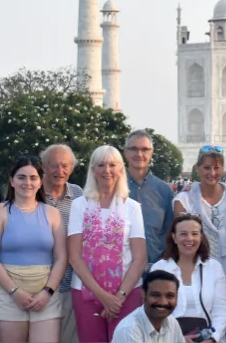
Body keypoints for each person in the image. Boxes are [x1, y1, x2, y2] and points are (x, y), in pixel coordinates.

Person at [0, 156, 68, 343]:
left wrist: (48, 291)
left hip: (45, 292)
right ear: (12, 181)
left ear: (40, 181)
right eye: (21, 177)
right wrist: (15, 292)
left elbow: (61, 257)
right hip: (7, 292)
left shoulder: (52, 214)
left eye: (33, 177)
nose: (27, 182)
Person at [67, 145, 149, 342]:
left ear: (121, 169)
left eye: (113, 165)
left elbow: (140, 258)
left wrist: (118, 298)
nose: (107, 170)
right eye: (101, 165)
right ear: (93, 170)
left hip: (127, 293)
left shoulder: (132, 207)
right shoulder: (79, 205)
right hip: (87, 292)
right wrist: (103, 296)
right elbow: (75, 257)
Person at [152, 213, 226, 342]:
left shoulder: (214, 268)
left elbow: (222, 312)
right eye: (183, 234)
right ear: (174, 237)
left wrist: (213, 338)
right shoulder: (159, 268)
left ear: (201, 237)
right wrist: (178, 339)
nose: (189, 239)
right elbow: (153, 313)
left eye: (194, 234)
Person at [175, 145, 226, 280]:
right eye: (207, 168)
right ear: (197, 168)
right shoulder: (184, 201)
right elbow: (181, 242)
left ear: (223, 169)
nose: (212, 173)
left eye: (217, 168)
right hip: (197, 276)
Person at [39, 144, 85, 343]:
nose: (60, 171)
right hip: (37, 285)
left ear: (72, 168)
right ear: (43, 167)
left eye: (65, 166)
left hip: (69, 283)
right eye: (54, 166)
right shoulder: (32, 192)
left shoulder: (79, 195)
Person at [124, 129, 177, 265]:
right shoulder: (113, 188)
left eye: (145, 149)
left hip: (154, 269)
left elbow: (171, 232)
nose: (139, 154)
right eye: (134, 149)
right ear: (125, 152)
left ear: (151, 153)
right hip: (120, 271)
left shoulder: (164, 191)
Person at [117, 270, 188, 343]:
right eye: (156, 295)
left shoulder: (172, 322)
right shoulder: (129, 330)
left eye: (170, 296)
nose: (163, 302)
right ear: (143, 295)